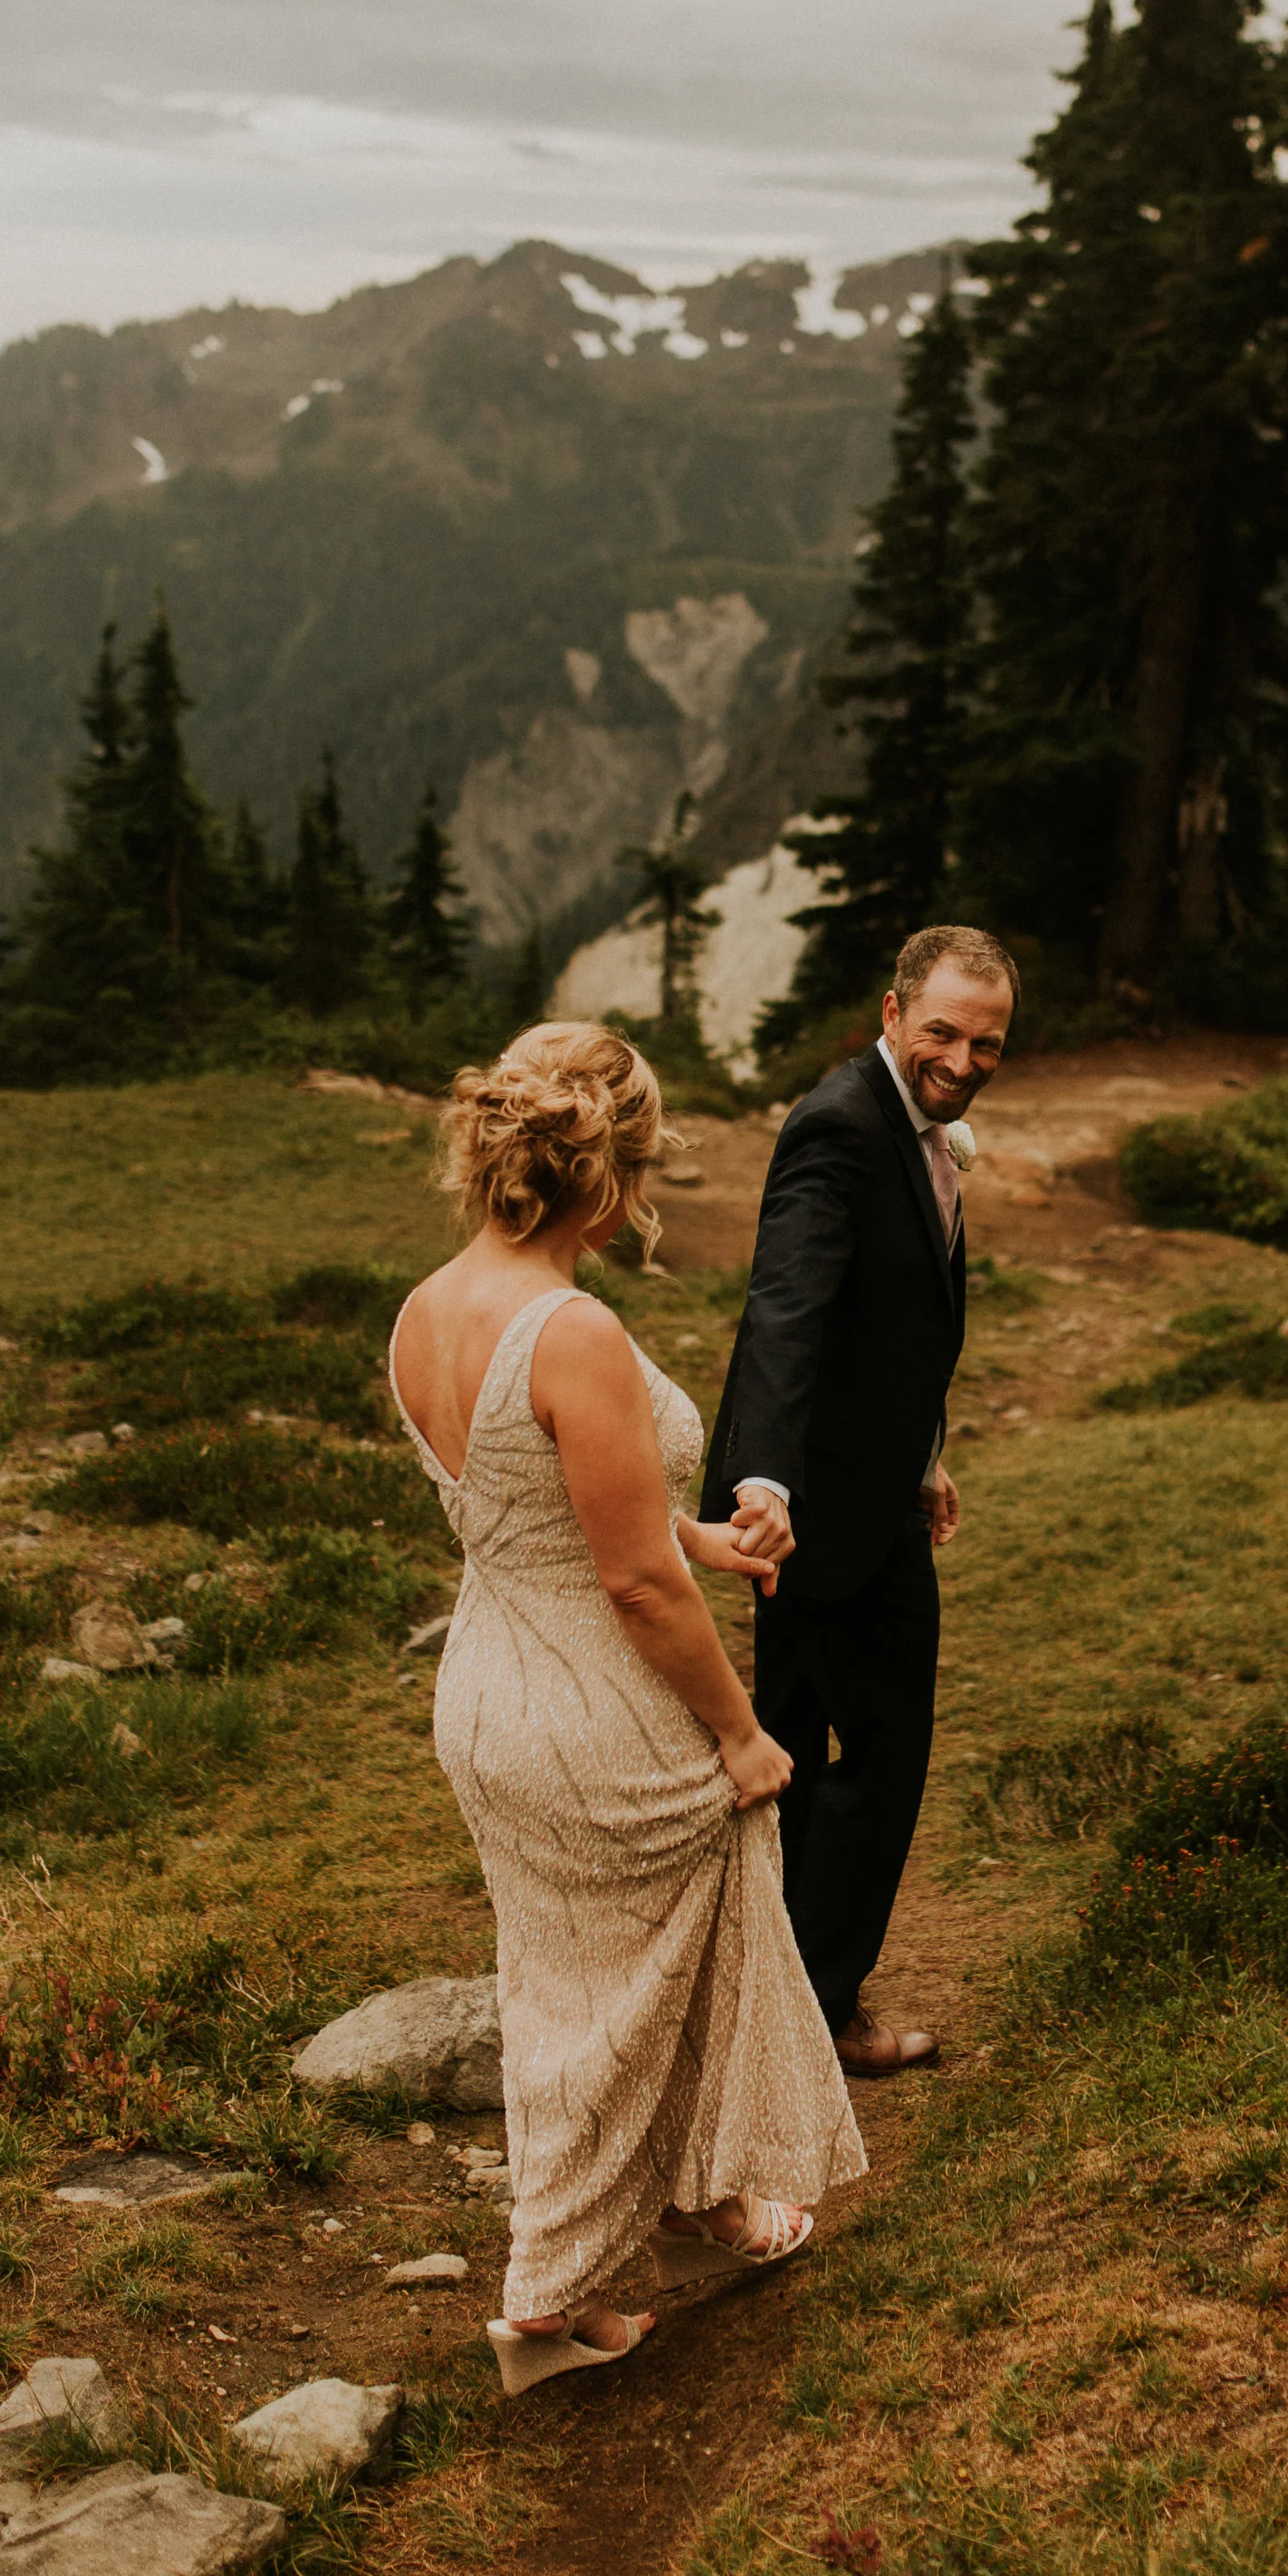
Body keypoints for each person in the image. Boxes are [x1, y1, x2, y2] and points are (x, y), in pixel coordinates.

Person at [389, 1021, 863, 2396]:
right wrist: (738, 1733)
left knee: (575, 1972)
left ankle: (689, 2199)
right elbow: (634, 1587)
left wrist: (699, 1539)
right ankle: (553, 2290)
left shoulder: (425, 1306)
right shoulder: (574, 1325)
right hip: (591, 1697)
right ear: (610, 1171)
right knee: (637, 1965)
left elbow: (539, 1503)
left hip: (489, 1688)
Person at [703, 924, 1017, 2076]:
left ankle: (769, 1992)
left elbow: (883, 1326)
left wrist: (922, 1458)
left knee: (787, 1750)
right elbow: (784, 1309)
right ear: (891, 1015)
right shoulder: (840, 1126)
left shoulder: (914, 1122)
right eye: (941, 1032)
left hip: (855, 1488)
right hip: (812, 1506)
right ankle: (817, 2012)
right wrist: (767, 1480)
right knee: (879, 1753)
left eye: (986, 1041)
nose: (963, 1058)